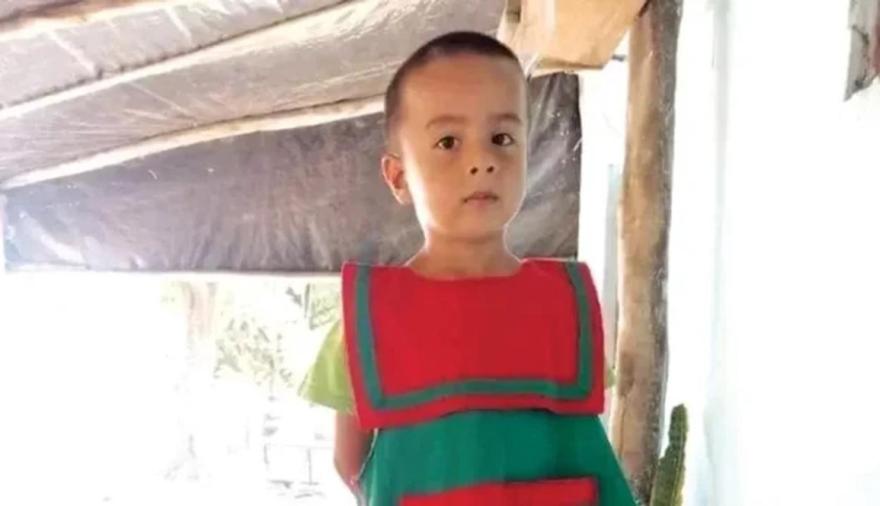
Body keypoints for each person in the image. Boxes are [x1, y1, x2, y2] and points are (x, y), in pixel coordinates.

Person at [299, 31, 636, 506]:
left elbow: (583, 451)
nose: (482, 160)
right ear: (399, 176)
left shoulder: (565, 305)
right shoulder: (368, 319)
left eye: (502, 138)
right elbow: (351, 463)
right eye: (448, 141)